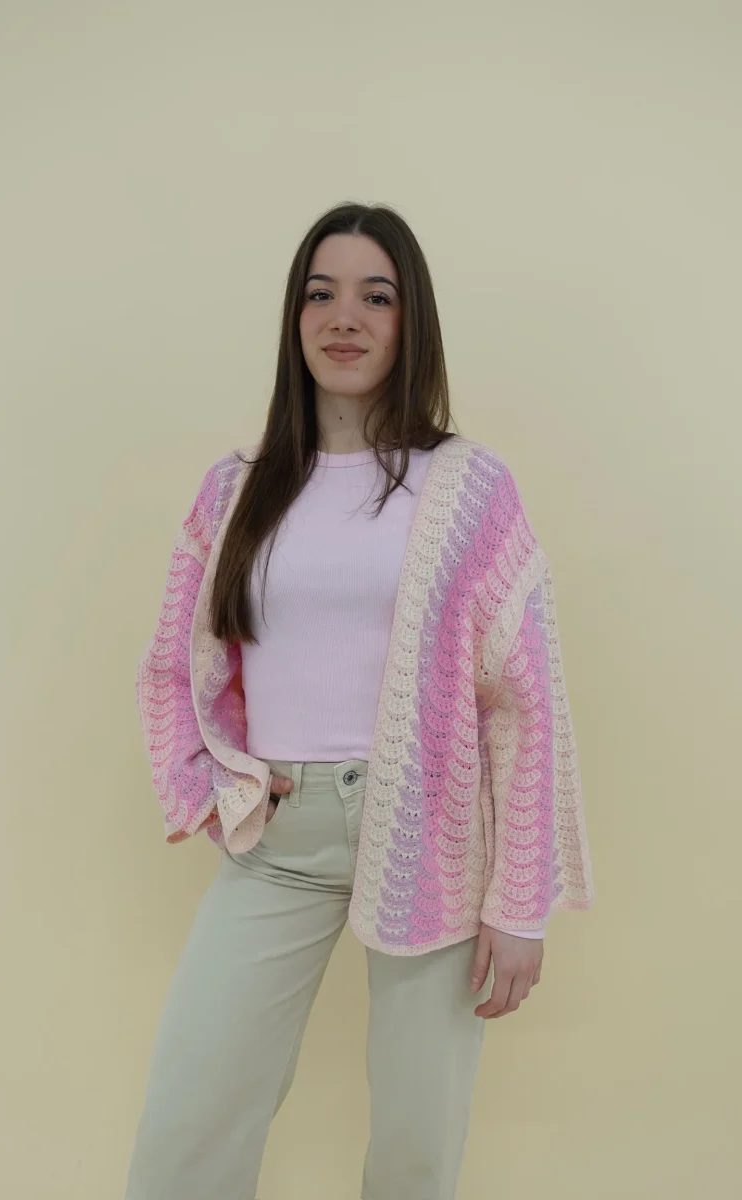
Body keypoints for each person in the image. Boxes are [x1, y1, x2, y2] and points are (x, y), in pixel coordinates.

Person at [125, 202, 594, 1200]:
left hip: (430, 834)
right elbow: (174, 663)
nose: (344, 317)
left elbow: (523, 705)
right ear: (295, 319)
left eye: (375, 296)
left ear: (409, 318)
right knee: (189, 1125)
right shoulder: (235, 489)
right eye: (320, 294)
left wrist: (520, 905)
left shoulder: (468, 488)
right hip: (277, 841)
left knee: (417, 1143)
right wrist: (204, 788)